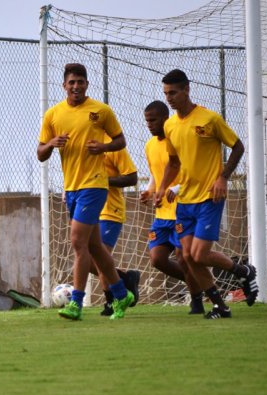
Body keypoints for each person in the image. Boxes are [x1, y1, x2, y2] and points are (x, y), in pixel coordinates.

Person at [154, 69, 258, 320]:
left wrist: (223, 177)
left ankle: (243, 271)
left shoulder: (209, 119)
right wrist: (161, 188)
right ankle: (221, 306)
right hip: (185, 201)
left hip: (209, 198)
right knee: (187, 257)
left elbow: (238, 146)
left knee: (198, 254)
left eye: (174, 93)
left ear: (187, 90)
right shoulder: (169, 125)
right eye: (166, 93)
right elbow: (174, 162)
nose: (169, 98)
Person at [37, 63, 134, 320]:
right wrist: (51, 143)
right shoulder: (53, 115)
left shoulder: (101, 111)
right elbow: (40, 154)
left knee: (78, 243)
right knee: (95, 248)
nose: (76, 86)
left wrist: (103, 147)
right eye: (72, 82)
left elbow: (121, 140)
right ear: (64, 86)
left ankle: (76, 303)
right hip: (72, 188)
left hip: (95, 184)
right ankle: (122, 294)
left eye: (81, 82)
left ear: (87, 84)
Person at [139, 100, 205, 314]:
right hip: (161, 216)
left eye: (153, 120)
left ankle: (196, 297)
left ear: (166, 119)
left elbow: (190, 171)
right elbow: (156, 176)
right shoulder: (149, 146)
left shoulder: (176, 140)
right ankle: (195, 282)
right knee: (157, 259)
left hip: (180, 211)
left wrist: (175, 188)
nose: (149, 125)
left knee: (182, 257)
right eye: (147, 121)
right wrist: (149, 191)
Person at [94, 149, 141, 316]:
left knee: (100, 257)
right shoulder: (81, 141)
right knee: (90, 259)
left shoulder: (113, 145)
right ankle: (126, 279)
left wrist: (103, 181)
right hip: (89, 209)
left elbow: (131, 177)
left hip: (110, 210)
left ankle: (111, 301)